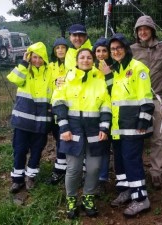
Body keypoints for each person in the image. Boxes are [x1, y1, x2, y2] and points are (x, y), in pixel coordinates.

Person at [51, 48, 112, 219]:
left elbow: (106, 105)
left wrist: (104, 128)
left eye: (89, 58)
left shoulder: (99, 79)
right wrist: (64, 128)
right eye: (82, 57)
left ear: (93, 60)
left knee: (94, 168)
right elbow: (58, 103)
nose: (85, 60)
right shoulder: (65, 80)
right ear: (77, 60)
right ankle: (71, 199)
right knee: (74, 168)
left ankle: (88, 197)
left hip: (94, 130)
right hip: (72, 130)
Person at [106, 33, 154, 217]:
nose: (116, 51)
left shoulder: (138, 68)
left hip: (134, 126)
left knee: (132, 161)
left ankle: (141, 199)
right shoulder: (116, 70)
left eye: (119, 48)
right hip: (118, 126)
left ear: (126, 49)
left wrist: (143, 120)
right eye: (113, 49)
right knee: (119, 160)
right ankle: (126, 191)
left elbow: (146, 98)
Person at [130, 15, 162, 189]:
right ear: (136, 32)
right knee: (137, 137)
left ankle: (156, 172)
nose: (143, 32)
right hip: (136, 101)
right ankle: (137, 170)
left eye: (146, 29)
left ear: (152, 31)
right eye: (140, 29)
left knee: (157, 138)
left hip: (157, 99)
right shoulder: (131, 50)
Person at [7, 42, 53, 193]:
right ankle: (17, 180)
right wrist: (23, 63)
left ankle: (30, 177)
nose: (37, 61)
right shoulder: (25, 70)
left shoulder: (50, 72)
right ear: (29, 57)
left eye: (40, 58)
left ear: (45, 58)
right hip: (22, 121)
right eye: (34, 57)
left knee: (36, 150)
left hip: (41, 122)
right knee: (19, 150)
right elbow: (14, 79)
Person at [92, 37, 113, 195]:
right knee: (92, 146)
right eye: (98, 51)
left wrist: (108, 75)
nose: (101, 54)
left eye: (104, 50)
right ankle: (89, 176)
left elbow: (114, 91)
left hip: (109, 113)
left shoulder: (115, 68)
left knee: (104, 147)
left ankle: (102, 179)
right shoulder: (89, 68)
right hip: (92, 114)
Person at [47, 37, 69, 185]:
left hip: (70, 107)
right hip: (54, 107)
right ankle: (61, 168)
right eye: (57, 48)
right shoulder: (50, 66)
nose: (60, 50)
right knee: (59, 139)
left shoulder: (72, 64)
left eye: (63, 47)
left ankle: (63, 170)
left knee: (66, 139)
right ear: (54, 51)